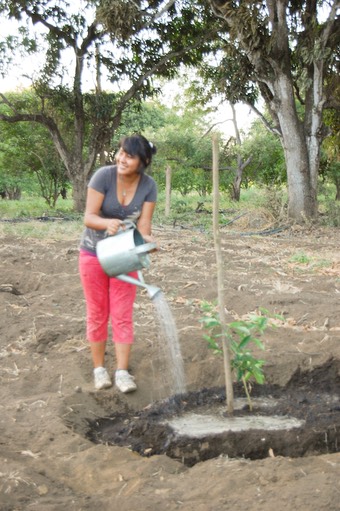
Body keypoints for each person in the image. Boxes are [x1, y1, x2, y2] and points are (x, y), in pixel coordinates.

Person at [79, 134, 157, 393]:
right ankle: (99, 369)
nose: (122, 159)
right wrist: (106, 223)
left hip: (125, 254)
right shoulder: (103, 176)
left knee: (123, 314)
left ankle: (122, 372)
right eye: (121, 152)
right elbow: (89, 217)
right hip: (93, 253)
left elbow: (144, 226)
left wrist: (148, 243)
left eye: (129, 156)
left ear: (143, 161)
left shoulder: (149, 186)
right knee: (98, 312)